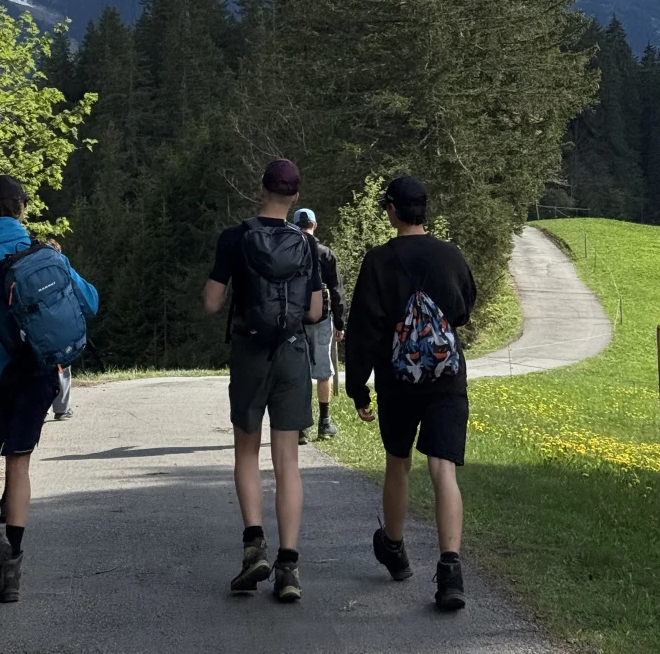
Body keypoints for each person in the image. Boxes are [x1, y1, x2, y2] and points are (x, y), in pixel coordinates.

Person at [0, 175, 98, 602]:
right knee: (19, 464)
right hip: (38, 372)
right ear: (21, 209)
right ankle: (11, 567)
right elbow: (91, 300)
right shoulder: (41, 253)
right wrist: (60, 263)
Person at [344, 175, 477, 612]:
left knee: (398, 462)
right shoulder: (449, 256)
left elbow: (364, 328)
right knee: (443, 470)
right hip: (446, 377)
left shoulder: (379, 260)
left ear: (393, 211)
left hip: (397, 379)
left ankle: (396, 549)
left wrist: (357, 387)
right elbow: (463, 308)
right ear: (425, 210)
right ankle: (451, 570)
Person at [203, 158, 323, 603]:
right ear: (294, 197)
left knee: (247, 451)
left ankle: (254, 546)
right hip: (292, 352)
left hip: (250, 351)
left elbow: (214, 303)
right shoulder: (305, 244)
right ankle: (288, 568)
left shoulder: (236, 238)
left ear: (261, 189)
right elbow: (313, 312)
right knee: (288, 461)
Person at [290, 208, 346, 443]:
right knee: (324, 372)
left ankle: (301, 427)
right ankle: (324, 423)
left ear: (295, 225)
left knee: (299, 373)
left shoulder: (289, 252)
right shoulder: (325, 253)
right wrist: (340, 323)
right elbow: (336, 290)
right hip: (323, 318)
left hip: (295, 321)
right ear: (315, 224)